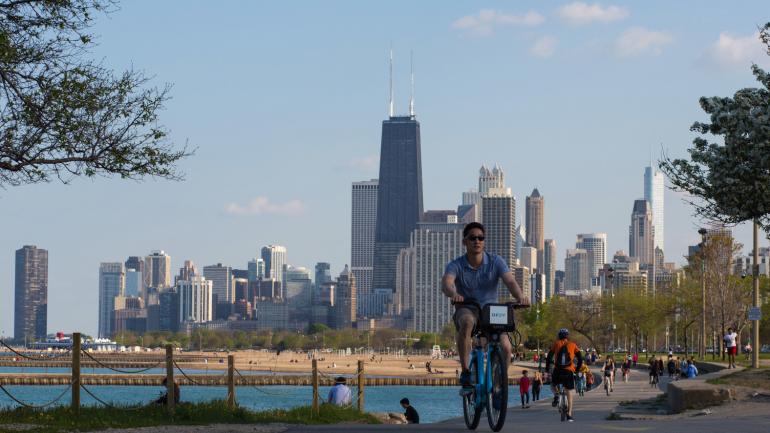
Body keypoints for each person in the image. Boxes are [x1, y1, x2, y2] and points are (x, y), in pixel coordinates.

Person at [442, 222, 530, 392]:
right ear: (465, 242)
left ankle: (499, 383)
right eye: (472, 238)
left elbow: (510, 281)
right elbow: (447, 283)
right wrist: (454, 295)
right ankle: (466, 371)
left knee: (506, 347)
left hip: (492, 311)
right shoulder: (456, 265)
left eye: (481, 238)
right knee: (467, 322)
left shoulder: (496, 261)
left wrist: (520, 297)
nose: (477, 241)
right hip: (467, 307)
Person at [546, 328, 583, 422]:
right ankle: (569, 414)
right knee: (569, 392)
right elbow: (580, 358)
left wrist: (547, 368)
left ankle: (556, 394)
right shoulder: (573, 345)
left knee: (553, 384)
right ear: (567, 336)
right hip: (568, 371)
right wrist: (577, 369)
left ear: (559, 336)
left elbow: (549, 357)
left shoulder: (556, 344)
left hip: (558, 370)